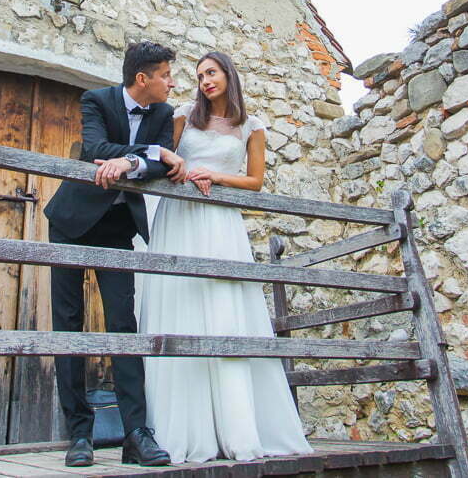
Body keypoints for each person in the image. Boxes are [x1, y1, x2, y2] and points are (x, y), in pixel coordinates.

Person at [137, 51, 313, 463]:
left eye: (211, 73)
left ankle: (237, 427)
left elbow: (255, 181)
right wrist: (182, 171)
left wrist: (215, 176)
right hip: (179, 216)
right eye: (200, 76)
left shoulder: (252, 126)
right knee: (181, 304)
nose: (205, 81)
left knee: (224, 306)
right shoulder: (183, 115)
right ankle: (182, 429)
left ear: (228, 75)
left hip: (221, 222)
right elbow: (161, 159)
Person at [43, 41, 186, 468]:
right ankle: (79, 434)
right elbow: (94, 149)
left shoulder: (163, 114)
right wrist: (148, 154)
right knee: (68, 324)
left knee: (124, 325)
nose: (171, 83)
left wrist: (132, 163)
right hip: (71, 221)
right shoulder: (97, 100)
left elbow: (162, 167)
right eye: (165, 75)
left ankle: (136, 435)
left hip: (118, 228)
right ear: (143, 78)